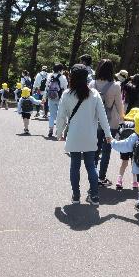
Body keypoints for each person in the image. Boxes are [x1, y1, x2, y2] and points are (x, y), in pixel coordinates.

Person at [55, 64, 112, 206]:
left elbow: (61, 116)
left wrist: (59, 132)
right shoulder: (94, 94)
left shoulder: (67, 94)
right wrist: (108, 134)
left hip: (74, 135)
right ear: (87, 77)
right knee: (91, 166)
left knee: (74, 165)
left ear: (72, 78)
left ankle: (76, 196)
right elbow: (102, 117)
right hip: (90, 136)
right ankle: (94, 196)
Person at [89, 59, 125, 187]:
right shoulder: (115, 86)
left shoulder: (92, 84)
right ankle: (102, 177)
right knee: (106, 150)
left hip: (95, 121)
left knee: (94, 149)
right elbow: (119, 106)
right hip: (111, 122)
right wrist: (123, 118)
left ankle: (92, 176)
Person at [115, 107, 139, 190]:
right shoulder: (138, 123)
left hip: (124, 146)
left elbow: (118, 135)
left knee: (124, 163)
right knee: (134, 164)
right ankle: (135, 182)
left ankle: (119, 180)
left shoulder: (123, 123)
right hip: (134, 147)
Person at [44, 63, 68, 138]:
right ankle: (58, 131)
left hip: (50, 97)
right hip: (60, 98)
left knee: (51, 114)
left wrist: (44, 97)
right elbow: (65, 88)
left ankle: (50, 130)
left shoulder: (49, 76)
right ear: (60, 70)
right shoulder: (63, 77)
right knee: (60, 115)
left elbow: (46, 88)